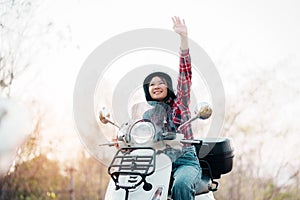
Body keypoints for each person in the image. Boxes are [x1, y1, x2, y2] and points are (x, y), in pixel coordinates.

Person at [142, 16, 203, 200]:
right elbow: (140, 141)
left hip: (184, 161)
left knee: (181, 184)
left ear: (168, 87)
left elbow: (185, 74)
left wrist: (183, 39)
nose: (156, 86)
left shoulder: (180, 105)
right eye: (152, 84)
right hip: (156, 162)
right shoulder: (146, 115)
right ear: (148, 90)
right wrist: (123, 140)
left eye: (161, 82)